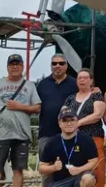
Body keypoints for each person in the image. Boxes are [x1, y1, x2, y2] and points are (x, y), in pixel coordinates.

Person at [0, 53, 41, 187]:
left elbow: (37, 108)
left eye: (17, 64)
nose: (15, 67)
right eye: (12, 64)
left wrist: (20, 106)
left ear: (22, 66)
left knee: (18, 170)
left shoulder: (30, 85)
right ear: (7, 67)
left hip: (21, 135)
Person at [36, 54, 78, 187]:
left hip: (70, 134)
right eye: (54, 63)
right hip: (46, 133)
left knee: (69, 168)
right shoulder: (42, 84)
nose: (57, 66)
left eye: (61, 63)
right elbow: (36, 106)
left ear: (66, 65)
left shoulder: (74, 83)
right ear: (51, 66)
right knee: (47, 170)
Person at [63, 68, 106, 187]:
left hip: (93, 138)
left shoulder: (96, 95)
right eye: (79, 78)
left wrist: (78, 123)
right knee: (75, 169)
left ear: (91, 80)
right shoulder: (70, 98)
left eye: (85, 77)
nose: (82, 80)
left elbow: (97, 115)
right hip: (74, 139)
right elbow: (62, 116)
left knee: (97, 169)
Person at [38, 106, 98, 187]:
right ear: (59, 123)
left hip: (79, 177)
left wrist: (79, 169)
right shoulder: (52, 142)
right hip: (61, 181)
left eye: (72, 120)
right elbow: (41, 167)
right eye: (65, 120)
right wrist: (53, 167)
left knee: (88, 178)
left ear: (77, 122)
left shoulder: (86, 139)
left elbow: (94, 162)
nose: (69, 123)